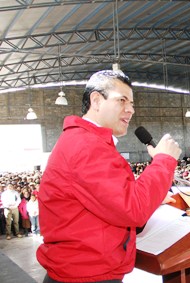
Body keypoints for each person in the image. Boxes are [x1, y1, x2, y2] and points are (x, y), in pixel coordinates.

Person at [37, 70, 182, 283]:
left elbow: (109, 203)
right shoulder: (87, 146)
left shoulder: (83, 141)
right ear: (96, 100)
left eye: (132, 103)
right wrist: (163, 161)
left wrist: (153, 197)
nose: (130, 110)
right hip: (87, 275)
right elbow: (132, 209)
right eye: (122, 100)